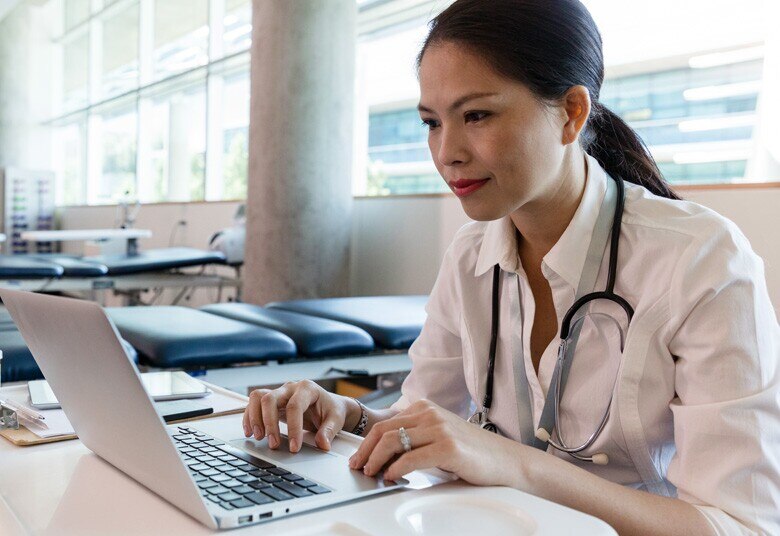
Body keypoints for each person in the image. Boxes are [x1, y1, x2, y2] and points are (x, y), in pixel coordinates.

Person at [242, 0, 780, 533]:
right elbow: (418, 420)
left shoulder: (701, 259)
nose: (446, 152)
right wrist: (347, 415)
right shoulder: (471, 255)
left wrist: (513, 463)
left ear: (571, 113)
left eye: (476, 115)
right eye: (432, 122)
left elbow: (739, 525)